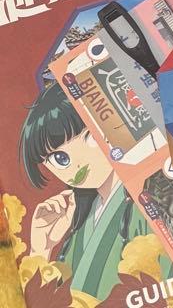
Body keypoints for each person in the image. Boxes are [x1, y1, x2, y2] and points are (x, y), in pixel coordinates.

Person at [18, 84, 165, 300]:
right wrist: (42, 248)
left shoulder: (150, 196)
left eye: (90, 137)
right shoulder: (80, 222)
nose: (78, 163)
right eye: (60, 158)